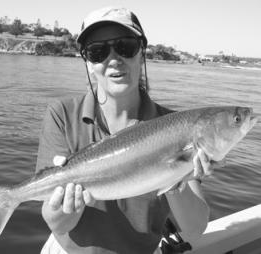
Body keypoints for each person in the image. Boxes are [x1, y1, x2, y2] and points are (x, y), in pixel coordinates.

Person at [36, 6, 221, 254]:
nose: (113, 59)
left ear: (141, 52)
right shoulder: (62, 115)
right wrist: (70, 204)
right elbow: (56, 223)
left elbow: (195, 228)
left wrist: (177, 180)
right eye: (97, 51)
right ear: (88, 63)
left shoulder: (176, 126)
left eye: (125, 46)